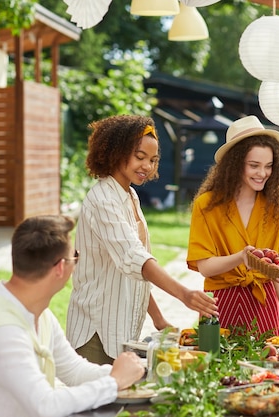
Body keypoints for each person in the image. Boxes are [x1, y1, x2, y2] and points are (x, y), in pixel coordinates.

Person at [0, 215, 145, 417]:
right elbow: (45, 406)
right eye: (76, 256)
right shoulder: (2, 329)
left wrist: (130, 373)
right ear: (61, 267)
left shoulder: (38, 313)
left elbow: (73, 370)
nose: (76, 263)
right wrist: (114, 382)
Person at [66, 115, 216, 364]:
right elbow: (134, 257)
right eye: (140, 156)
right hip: (96, 331)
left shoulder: (130, 197)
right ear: (116, 151)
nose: (147, 166)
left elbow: (133, 271)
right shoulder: (103, 199)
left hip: (121, 331)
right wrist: (183, 294)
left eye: (153, 160)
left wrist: (158, 319)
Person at [186, 115, 279, 337]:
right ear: (234, 164)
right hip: (219, 306)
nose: (263, 173)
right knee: (216, 369)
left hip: (265, 306)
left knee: (269, 368)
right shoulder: (206, 205)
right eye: (254, 165)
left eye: (269, 166)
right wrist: (241, 258)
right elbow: (205, 267)